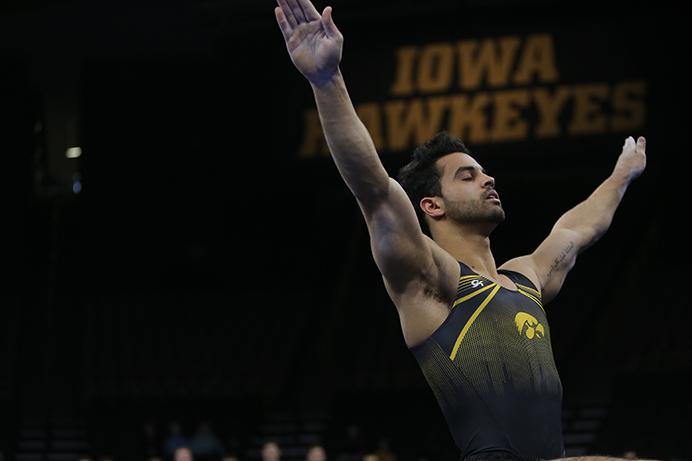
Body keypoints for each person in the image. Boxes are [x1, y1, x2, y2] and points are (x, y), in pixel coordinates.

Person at [274, 1, 648, 460]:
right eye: (467, 176)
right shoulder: (431, 280)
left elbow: (578, 227)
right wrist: (326, 80)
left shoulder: (525, 278)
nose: (488, 179)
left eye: (484, 172)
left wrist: (622, 175)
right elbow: (372, 188)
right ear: (431, 205)